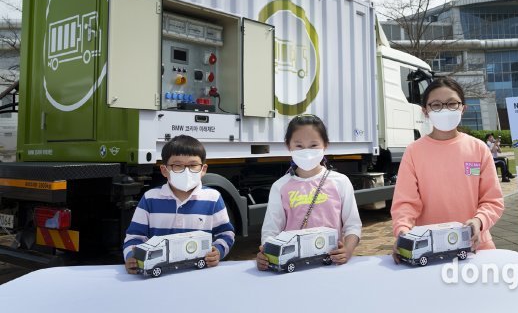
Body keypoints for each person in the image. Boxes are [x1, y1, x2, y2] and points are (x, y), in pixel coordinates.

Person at [391, 77, 504, 258]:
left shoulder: (478, 149)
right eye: (436, 105)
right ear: (425, 111)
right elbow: (405, 203)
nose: (444, 109)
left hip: (476, 246)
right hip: (428, 248)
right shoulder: (414, 151)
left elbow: (492, 200)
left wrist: (478, 221)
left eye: (452, 104)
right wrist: (403, 232)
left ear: (463, 108)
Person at [256, 114, 362, 270]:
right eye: (299, 146)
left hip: (331, 265)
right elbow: (271, 231)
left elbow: (353, 225)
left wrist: (348, 249)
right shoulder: (280, 187)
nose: (306, 151)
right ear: (288, 146)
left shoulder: (340, 182)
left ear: (325, 145)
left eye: (313, 145)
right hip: (293, 266)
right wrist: (267, 254)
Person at [123, 135, 235, 274]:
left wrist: (218, 251)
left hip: (200, 272)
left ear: (203, 169)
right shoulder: (150, 198)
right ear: (164, 170)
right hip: (161, 273)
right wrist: (131, 257)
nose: (186, 171)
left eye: (193, 165)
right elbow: (135, 237)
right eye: (177, 165)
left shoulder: (213, 198)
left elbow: (225, 233)